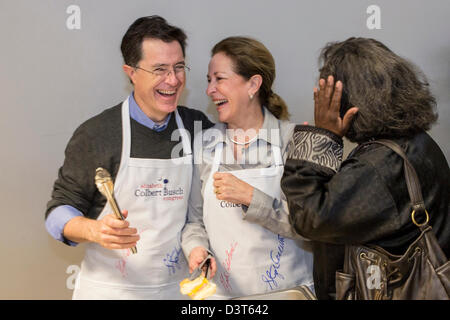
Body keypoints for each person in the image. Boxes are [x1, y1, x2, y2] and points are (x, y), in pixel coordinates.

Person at [45, 16, 213, 299]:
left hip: (178, 290)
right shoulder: (96, 133)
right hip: (110, 290)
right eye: (159, 69)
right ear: (131, 72)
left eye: (179, 67)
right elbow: (57, 213)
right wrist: (95, 230)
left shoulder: (197, 128)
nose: (172, 80)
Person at [280, 37, 450, 300]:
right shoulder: (417, 142)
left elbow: (309, 217)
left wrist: (322, 135)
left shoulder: (379, 167)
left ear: (349, 101)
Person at [181, 36, 314, 299]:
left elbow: (309, 226)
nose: (210, 89)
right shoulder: (205, 145)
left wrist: (251, 198)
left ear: (253, 84)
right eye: (209, 80)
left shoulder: (295, 141)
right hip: (222, 297)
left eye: (219, 79)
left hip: (288, 293)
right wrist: (197, 249)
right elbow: (193, 222)